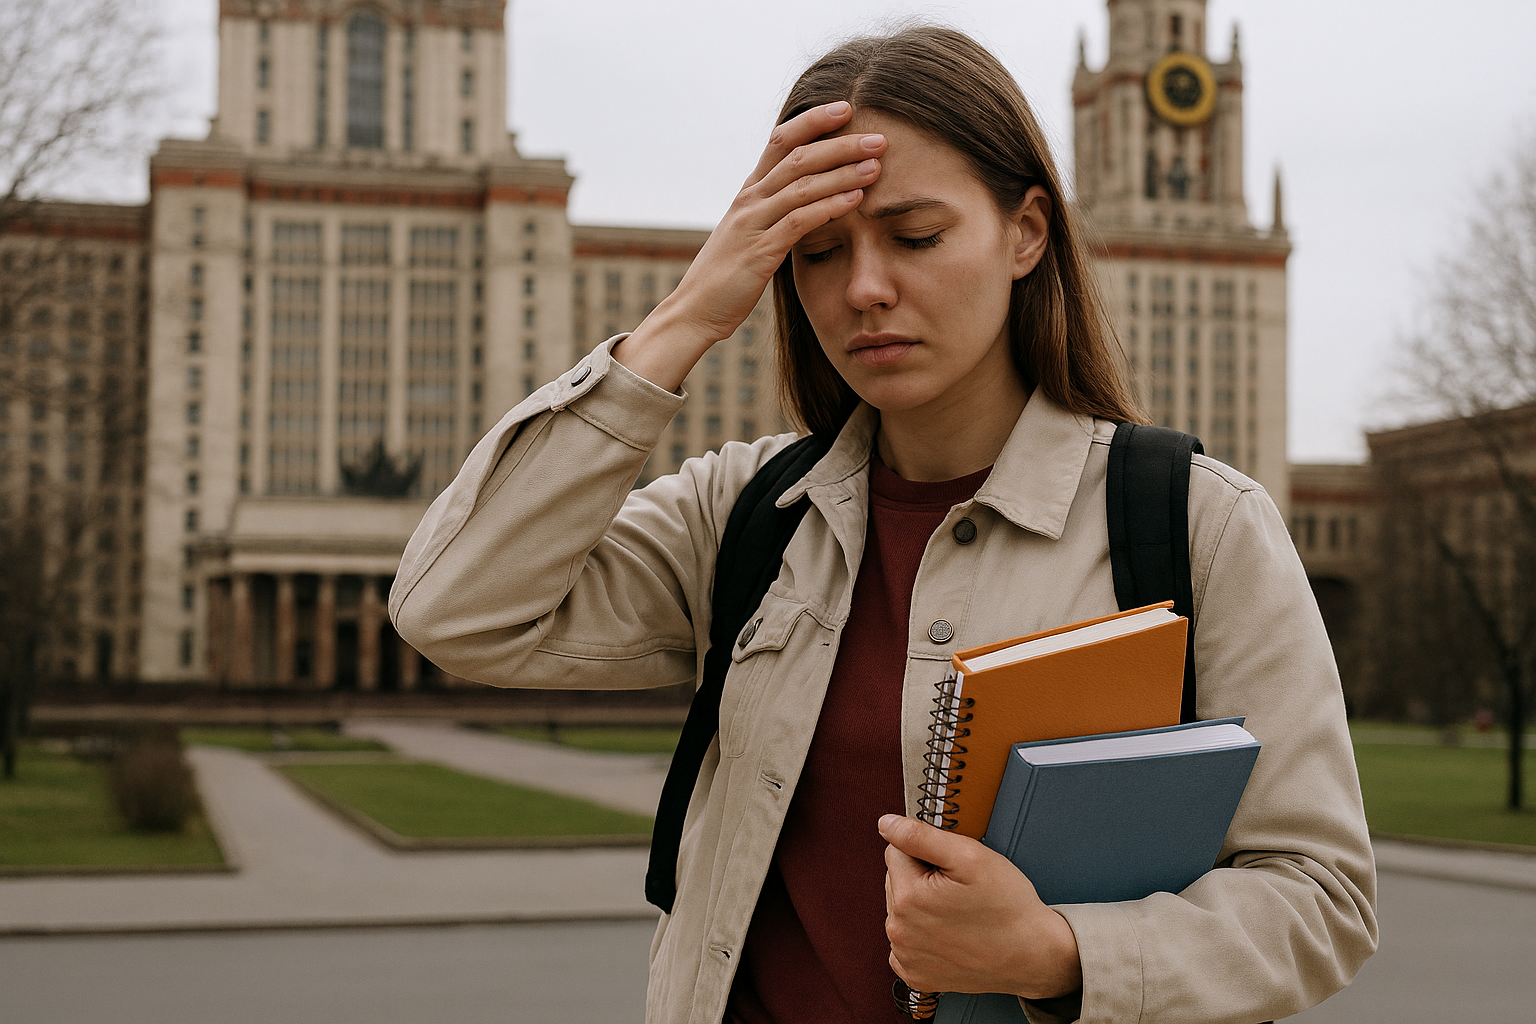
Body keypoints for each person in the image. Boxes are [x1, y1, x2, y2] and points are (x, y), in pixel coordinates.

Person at [391, 25, 1377, 1024]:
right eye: (817, 251)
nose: (863, 288)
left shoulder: (1197, 526)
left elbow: (1321, 897)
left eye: (915, 237)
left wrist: (1061, 951)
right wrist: (684, 317)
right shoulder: (746, 510)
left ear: (1026, 232)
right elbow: (452, 607)